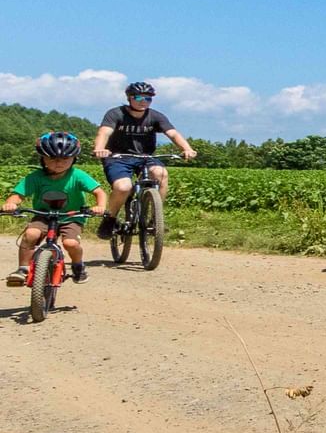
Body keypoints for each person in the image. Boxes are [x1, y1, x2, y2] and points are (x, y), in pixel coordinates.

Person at [93, 81, 197, 239]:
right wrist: (100, 148)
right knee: (123, 187)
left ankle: (156, 219)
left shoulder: (155, 116)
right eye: (139, 97)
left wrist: (186, 149)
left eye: (148, 98)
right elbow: (104, 133)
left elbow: (173, 134)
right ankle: (110, 219)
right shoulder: (115, 114)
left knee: (161, 173)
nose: (143, 101)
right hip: (118, 157)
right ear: (129, 98)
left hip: (146, 157)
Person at [5, 132, 107, 286]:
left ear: (74, 159)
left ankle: (78, 266)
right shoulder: (36, 177)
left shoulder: (77, 175)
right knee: (31, 234)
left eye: (65, 159)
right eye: (52, 158)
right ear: (43, 158)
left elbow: (99, 192)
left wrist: (100, 206)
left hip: (71, 216)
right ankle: (23, 269)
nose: (59, 163)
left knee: (71, 244)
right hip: (43, 215)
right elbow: (18, 194)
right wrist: (11, 204)